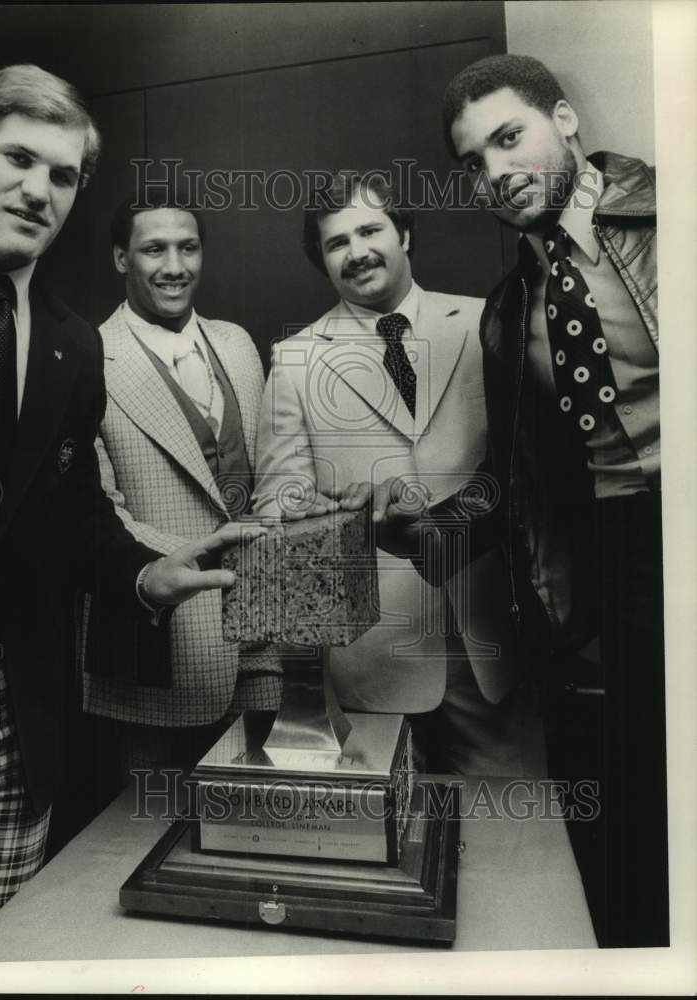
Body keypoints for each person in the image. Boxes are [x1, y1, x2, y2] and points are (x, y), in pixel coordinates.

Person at [0, 65, 263, 964]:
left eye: (64, 175)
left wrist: (141, 572)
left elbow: (69, 511)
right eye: (18, 158)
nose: (39, 190)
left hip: (24, 720)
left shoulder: (72, 341)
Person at [376, 53, 664, 947]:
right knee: (622, 827)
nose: (497, 175)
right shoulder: (511, 309)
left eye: (510, 139)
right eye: (474, 162)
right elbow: (519, 480)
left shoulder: (670, 220)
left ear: (566, 121)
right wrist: (420, 530)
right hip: (604, 573)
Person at [253, 170, 542, 777]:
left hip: (484, 641)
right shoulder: (295, 358)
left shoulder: (485, 324)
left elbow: (533, 474)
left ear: (404, 233)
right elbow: (276, 510)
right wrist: (335, 512)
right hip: (370, 656)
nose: (357, 252)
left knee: (514, 844)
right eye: (337, 243)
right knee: (387, 851)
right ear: (323, 262)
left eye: (370, 229)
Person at [81, 191, 281, 775]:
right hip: (155, 636)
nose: (174, 267)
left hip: (257, 632)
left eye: (188, 247)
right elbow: (96, 512)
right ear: (122, 259)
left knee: (248, 822)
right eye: (154, 249)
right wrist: (190, 563)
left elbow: (263, 472)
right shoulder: (85, 356)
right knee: (144, 829)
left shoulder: (238, 343)